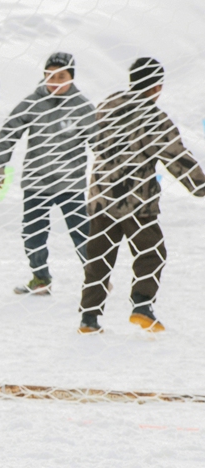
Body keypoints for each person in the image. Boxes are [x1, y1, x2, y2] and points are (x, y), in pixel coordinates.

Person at [78, 57, 205, 333]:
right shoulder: (154, 117)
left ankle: (88, 318)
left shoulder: (107, 105)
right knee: (152, 252)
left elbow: (92, 140)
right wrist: (200, 185)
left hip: (100, 197)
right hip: (136, 201)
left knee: (99, 258)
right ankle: (142, 306)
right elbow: (176, 156)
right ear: (156, 87)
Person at [0, 51, 95, 295]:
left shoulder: (82, 107)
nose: (55, 82)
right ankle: (40, 278)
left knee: (82, 233)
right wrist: (0, 165)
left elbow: (99, 142)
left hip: (69, 183)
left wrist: (106, 174)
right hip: (36, 181)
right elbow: (9, 131)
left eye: (61, 76)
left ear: (71, 77)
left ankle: (96, 278)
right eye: (50, 76)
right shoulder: (33, 102)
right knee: (33, 233)